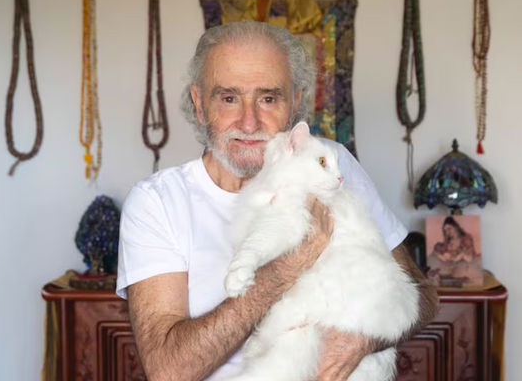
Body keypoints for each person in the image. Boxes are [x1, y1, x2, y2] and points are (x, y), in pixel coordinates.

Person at [115, 20, 439, 381]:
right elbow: (168, 371)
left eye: (268, 99)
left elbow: (424, 296)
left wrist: (359, 341)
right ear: (199, 104)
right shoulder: (157, 201)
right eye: (229, 98)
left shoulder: (330, 166)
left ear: (295, 103)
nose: (249, 122)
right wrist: (288, 266)